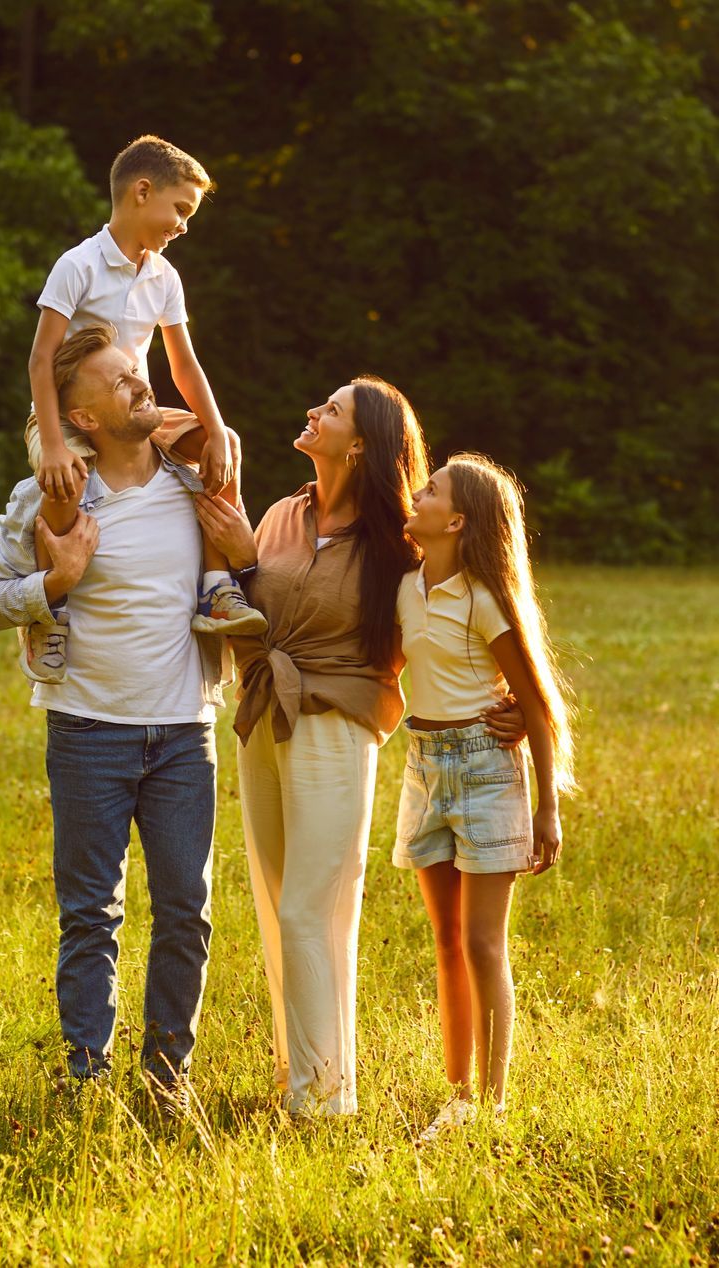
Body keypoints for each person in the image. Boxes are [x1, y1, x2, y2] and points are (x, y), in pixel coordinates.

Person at [192, 378, 522, 1117]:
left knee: (316, 905)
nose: (313, 411)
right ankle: (305, 1075)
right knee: (280, 906)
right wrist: (245, 560)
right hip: (264, 712)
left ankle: (322, 1101)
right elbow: (249, 611)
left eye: (332, 409)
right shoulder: (280, 516)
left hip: (337, 721)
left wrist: (512, 702)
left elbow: (468, 607)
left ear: (363, 443)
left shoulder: (399, 539)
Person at [0, 322, 233, 1114]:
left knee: (186, 911)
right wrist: (59, 581)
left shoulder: (198, 487)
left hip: (185, 734)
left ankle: (166, 1080)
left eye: (137, 369)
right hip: (88, 732)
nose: (139, 384)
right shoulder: (50, 499)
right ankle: (87, 1080)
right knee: (91, 915)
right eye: (118, 379)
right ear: (79, 418)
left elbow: (244, 577)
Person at [20, 135, 264, 684]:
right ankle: (49, 614)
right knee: (63, 475)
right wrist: (54, 443)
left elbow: (184, 365)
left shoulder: (164, 277)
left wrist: (218, 429)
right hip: (67, 416)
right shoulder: (78, 265)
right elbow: (40, 360)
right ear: (141, 191)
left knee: (223, 442)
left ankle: (216, 587)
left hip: (138, 411)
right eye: (180, 210)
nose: (183, 225)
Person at [395, 453, 575, 1143]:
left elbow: (534, 700)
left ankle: (491, 1105)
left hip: (485, 771)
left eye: (431, 489)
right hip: (424, 768)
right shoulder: (407, 588)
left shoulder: (481, 597)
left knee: (482, 943)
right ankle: (458, 1095)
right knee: (445, 940)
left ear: (458, 520)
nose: (418, 492)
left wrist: (547, 807)